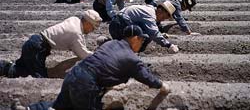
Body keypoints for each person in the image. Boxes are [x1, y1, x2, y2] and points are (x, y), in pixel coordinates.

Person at [11, 25, 170, 110]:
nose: (142, 43)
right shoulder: (132, 58)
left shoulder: (111, 43)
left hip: (74, 74)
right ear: (135, 38)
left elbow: (104, 64)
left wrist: (110, 84)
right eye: (141, 40)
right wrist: (162, 85)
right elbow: (145, 76)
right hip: (86, 84)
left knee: (60, 106)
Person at [0, 10, 102, 79]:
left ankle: (4, 66)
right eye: (93, 28)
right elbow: (82, 54)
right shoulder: (76, 34)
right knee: (39, 78)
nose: (92, 31)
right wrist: (98, 57)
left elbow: (78, 40)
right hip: (38, 48)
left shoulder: (74, 19)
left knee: (21, 69)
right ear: (88, 23)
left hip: (35, 43)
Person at [109, 2, 179, 53]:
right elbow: (153, 33)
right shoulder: (151, 14)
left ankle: (108, 44)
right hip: (119, 26)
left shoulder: (150, 9)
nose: (163, 20)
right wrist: (169, 45)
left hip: (117, 23)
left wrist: (160, 35)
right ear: (160, 11)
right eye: (163, 17)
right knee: (146, 37)